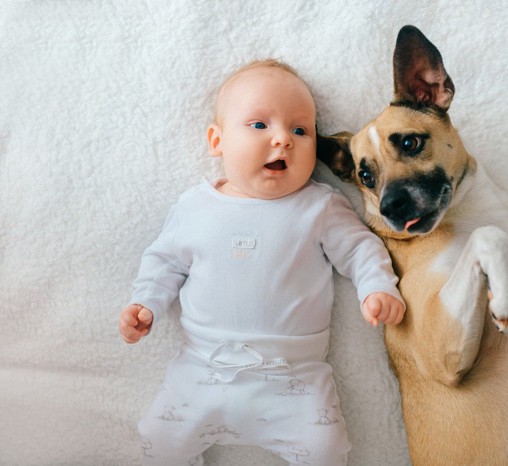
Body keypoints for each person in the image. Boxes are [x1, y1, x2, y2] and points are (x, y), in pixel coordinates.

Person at [118, 59, 405, 466]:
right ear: (216, 141)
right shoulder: (195, 206)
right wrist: (145, 304)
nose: (283, 140)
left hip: (294, 377)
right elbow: (163, 260)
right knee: (158, 440)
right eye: (259, 125)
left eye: (300, 130)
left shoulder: (318, 206)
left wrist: (377, 287)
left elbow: (360, 248)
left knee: (326, 450)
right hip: (201, 369)